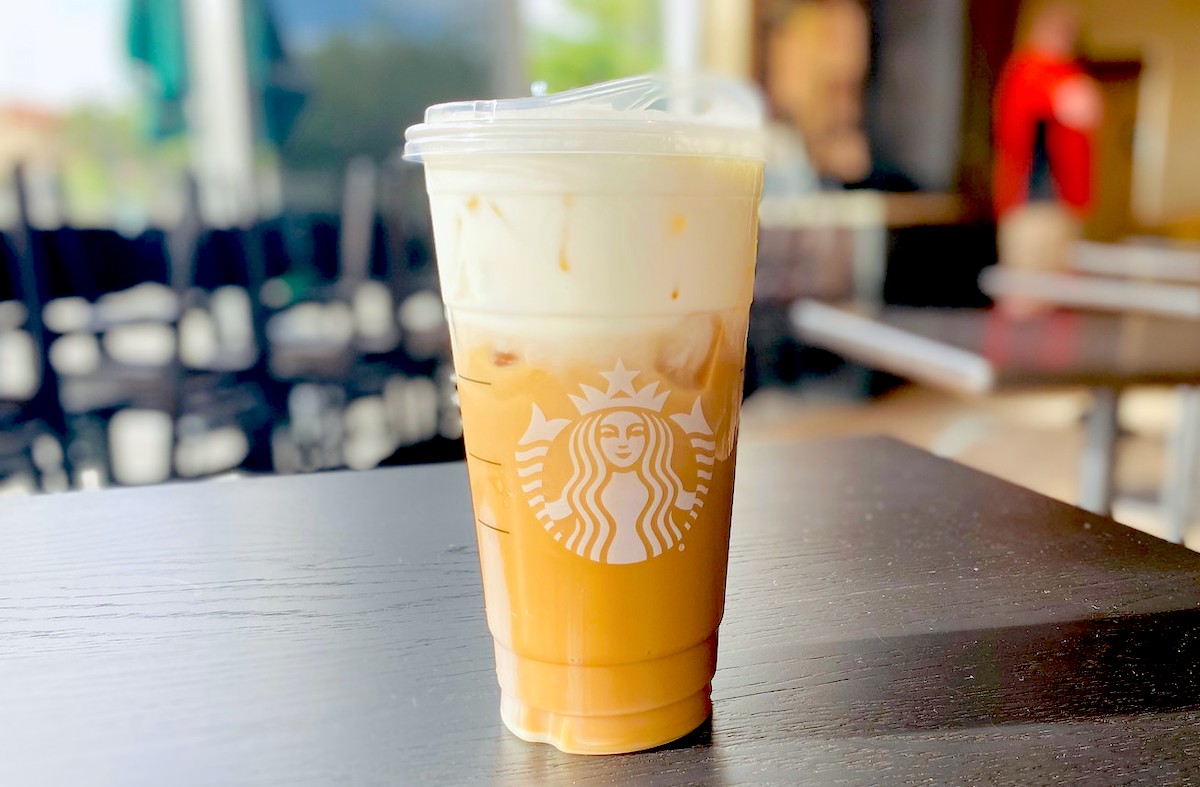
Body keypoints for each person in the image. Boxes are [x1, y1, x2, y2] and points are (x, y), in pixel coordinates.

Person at [993, 1, 1101, 314]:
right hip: (1029, 208)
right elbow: (1069, 105)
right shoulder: (1026, 72)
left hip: (1063, 206)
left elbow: (1087, 115)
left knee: (1061, 296)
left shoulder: (1070, 75)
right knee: (1024, 299)